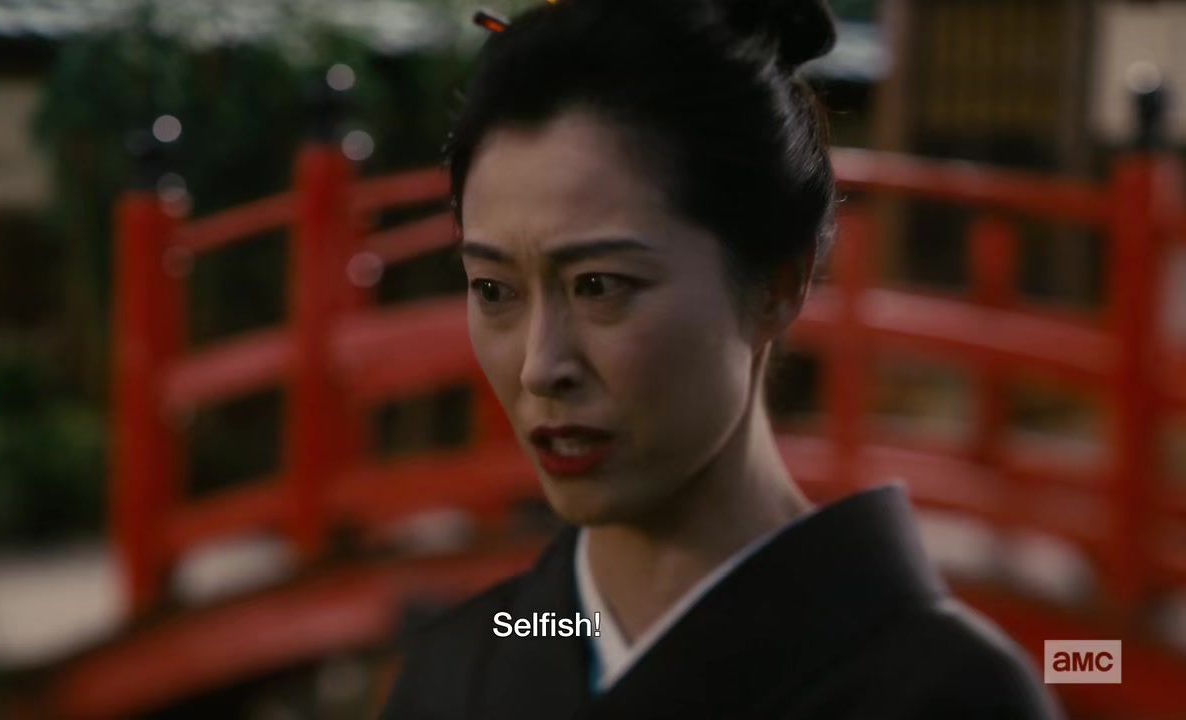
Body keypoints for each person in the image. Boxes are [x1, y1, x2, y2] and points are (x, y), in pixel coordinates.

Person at [381, 0, 1062, 717]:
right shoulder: (455, 670)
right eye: (494, 290)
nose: (539, 367)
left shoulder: (949, 695)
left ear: (777, 284)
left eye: (600, 286)